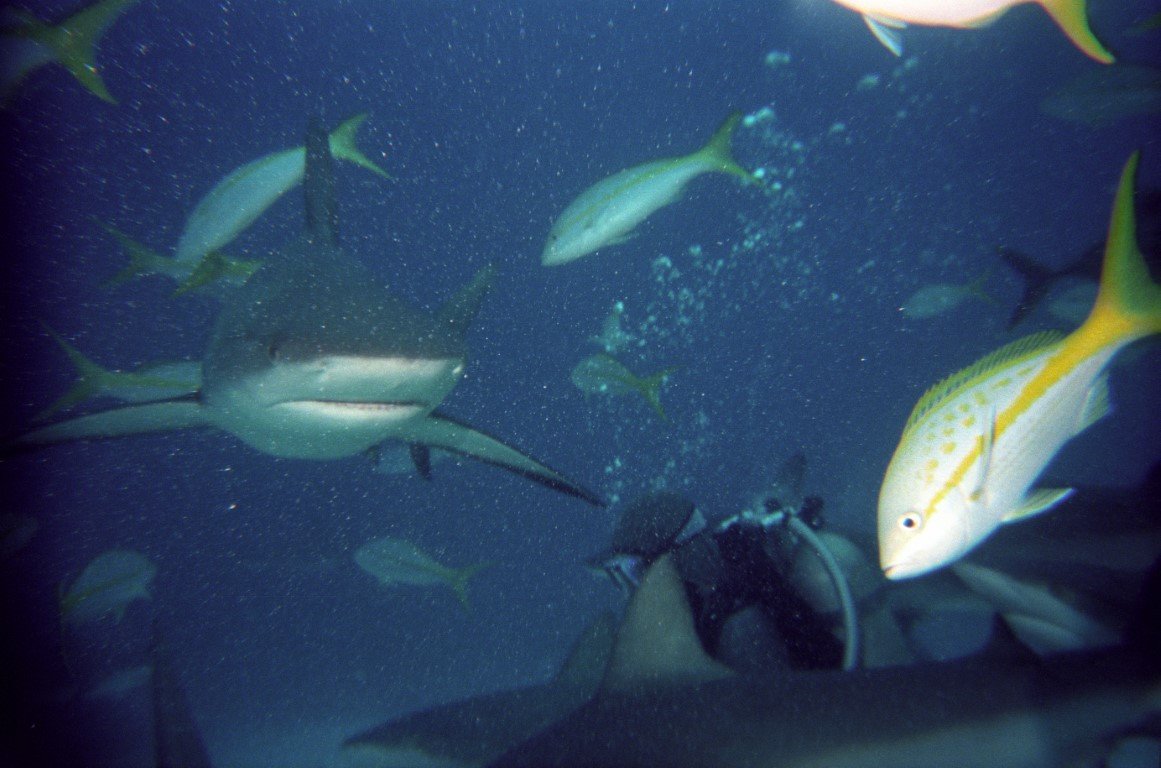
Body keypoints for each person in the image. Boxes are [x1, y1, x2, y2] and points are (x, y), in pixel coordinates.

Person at [588, 488, 847, 672]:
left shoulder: (739, 619)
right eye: (617, 574)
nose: (630, 591)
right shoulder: (697, 604)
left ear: (681, 561)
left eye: (633, 571)